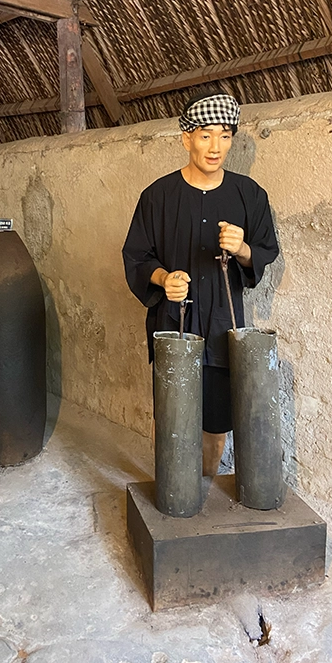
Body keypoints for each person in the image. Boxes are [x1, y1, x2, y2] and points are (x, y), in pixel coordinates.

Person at [122, 88, 279, 475]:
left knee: (215, 421)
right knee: (174, 415)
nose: (216, 146)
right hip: (173, 323)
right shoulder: (157, 196)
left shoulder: (249, 195)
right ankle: (177, 488)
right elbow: (137, 256)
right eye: (206, 135)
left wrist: (242, 248)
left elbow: (264, 250)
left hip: (224, 324)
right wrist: (162, 279)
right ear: (186, 138)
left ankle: (205, 486)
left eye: (225, 135)